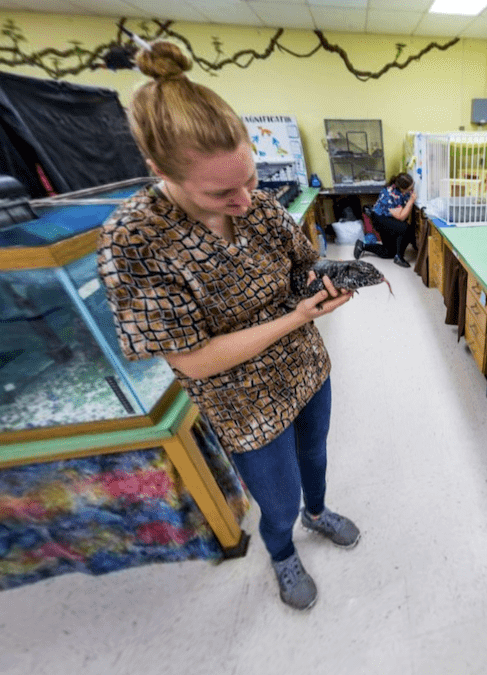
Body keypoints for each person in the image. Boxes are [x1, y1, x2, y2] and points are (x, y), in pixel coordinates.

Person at [96, 41, 359, 612]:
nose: (244, 199)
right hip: (242, 402)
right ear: (159, 171)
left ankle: (318, 513)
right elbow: (192, 360)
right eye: (221, 192)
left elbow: (301, 266)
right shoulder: (136, 239)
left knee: (315, 459)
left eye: (250, 178)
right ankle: (282, 548)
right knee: (277, 495)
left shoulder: (261, 209)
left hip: (306, 370)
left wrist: (326, 283)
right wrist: (295, 316)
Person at [357, 172, 416, 268]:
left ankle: (362, 246)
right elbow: (401, 217)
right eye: (410, 188)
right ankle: (399, 257)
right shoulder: (392, 194)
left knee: (388, 252)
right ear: (402, 188)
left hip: (386, 218)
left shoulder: (399, 189)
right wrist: (411, 201)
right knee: (406, 229)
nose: (412, 190)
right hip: (380, 220)